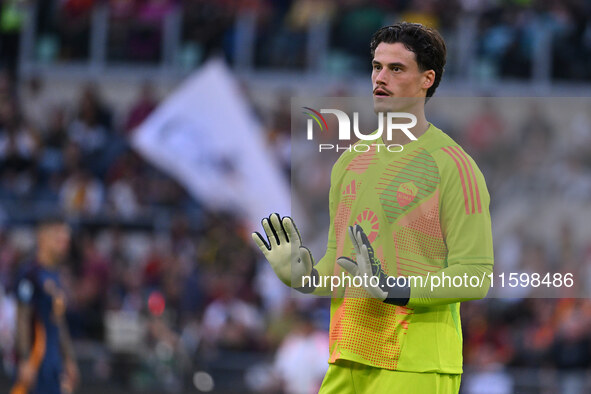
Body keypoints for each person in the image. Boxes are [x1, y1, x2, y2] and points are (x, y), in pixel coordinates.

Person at [252, 22, 494, 393]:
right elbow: (342, 265)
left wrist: (395, 288)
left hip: (414, 364)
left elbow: (475, 275)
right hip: (347, 354)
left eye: (396, 69)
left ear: (427, 79)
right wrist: (305, 278)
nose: (381, 77)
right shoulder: (349, 162)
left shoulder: (453, 165)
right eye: (376, 66)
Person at [11, 217, 79, 394]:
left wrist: (69, 359)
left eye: (66, 239)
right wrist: (24, 359)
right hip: (36, 360)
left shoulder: (55, 275)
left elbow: (58, 321)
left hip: (54, 362)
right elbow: (22, 318)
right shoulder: (30, 274)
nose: (65, 243)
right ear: (43, 238)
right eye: (59, 238)